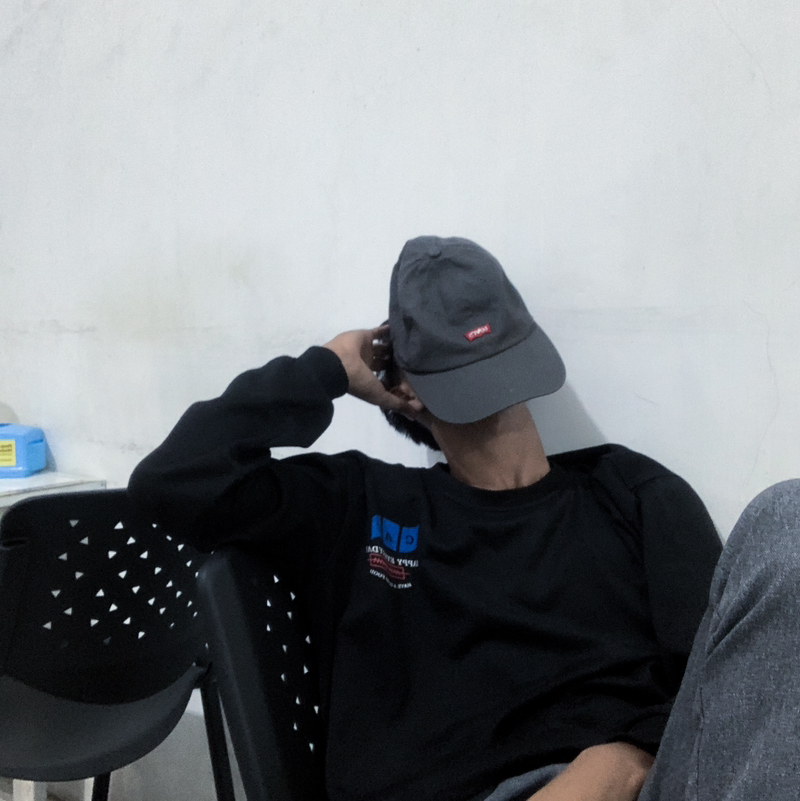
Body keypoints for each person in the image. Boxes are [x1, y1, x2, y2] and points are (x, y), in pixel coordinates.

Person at [129, 236, 725, 801]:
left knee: (774, 521)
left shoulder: (631, 493)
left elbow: (719, 688)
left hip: (651, 780)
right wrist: (326, 368)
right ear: (401, 387)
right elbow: (174, 480)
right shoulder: (363, 505)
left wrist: (623, 762)